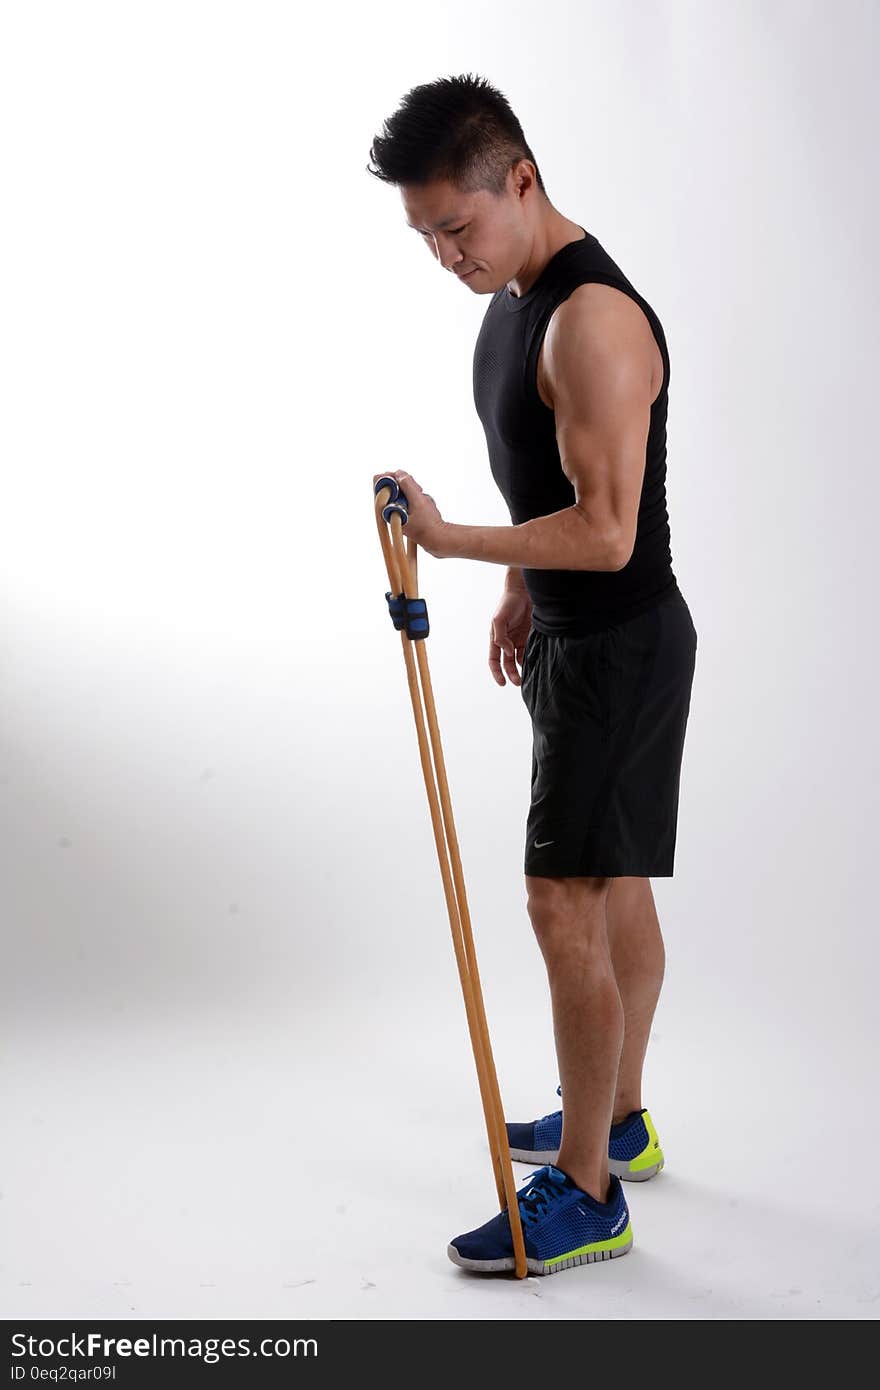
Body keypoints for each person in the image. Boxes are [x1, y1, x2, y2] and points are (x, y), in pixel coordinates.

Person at [367, 73, 698, 1277]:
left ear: (521, 179)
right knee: (610, 888)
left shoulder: (590, 321)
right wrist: (518, 585)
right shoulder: (513, 297)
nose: (444, 254)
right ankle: (618, 1118)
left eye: (456, 225)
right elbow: (552, 489)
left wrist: (458, 547)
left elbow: (608, 531)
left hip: (618, 643)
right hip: (575, 634)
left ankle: (588, 1193)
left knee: (561, 901)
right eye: (424, 236)